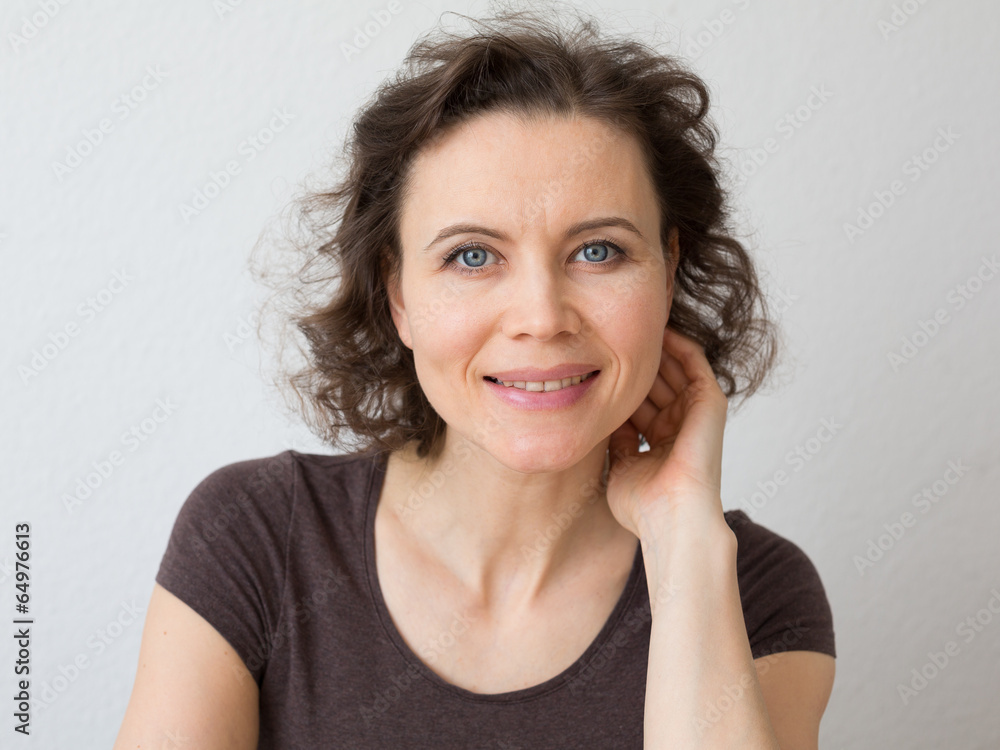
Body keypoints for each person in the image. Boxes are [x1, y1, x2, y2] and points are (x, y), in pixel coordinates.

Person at [114, 6, 835, 748]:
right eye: (472, 256)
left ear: (668, 270)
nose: (541, 318)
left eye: (598, 251)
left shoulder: (753, 594)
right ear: (398, 295)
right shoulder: (256, 535)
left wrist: (683, 543)